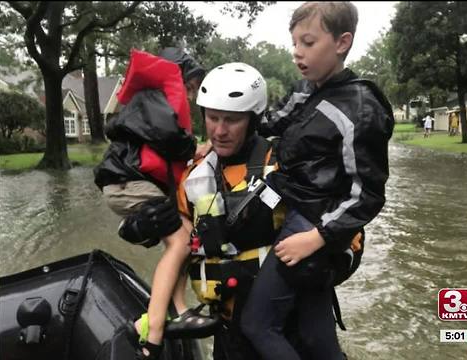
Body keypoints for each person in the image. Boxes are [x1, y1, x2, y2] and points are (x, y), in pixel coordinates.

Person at [239, 2, 394, 360]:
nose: (297, 52)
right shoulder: (305, 90)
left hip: (314, 222)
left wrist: (317, 237)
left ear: (342, 43)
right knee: (316, 338)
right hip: (293, 206)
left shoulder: (361, 107)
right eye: (294, 43)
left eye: (308, 42)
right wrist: (220, 134)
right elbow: (269, 124)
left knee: (259, 324)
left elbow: (367, 194)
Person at [93, 47, 216, 359]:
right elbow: (171, 139)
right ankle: (154, 333)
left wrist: (198, 148)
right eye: (190, 87)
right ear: (178, 77)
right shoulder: (154, 100)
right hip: (128, 184)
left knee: (188, 234)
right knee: (179, 242)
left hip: (132, 182)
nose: (189, 97)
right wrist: (194, 146)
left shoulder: (151, 102)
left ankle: (179, 309)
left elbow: (168, 145)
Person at [176, 62, 298, 360]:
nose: (219, 131)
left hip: (284, 325)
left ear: (253, 120)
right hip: (227, 328)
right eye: (212, 118)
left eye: (231, 120)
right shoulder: (193, 177)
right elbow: (178, 246)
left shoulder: (284, 162)